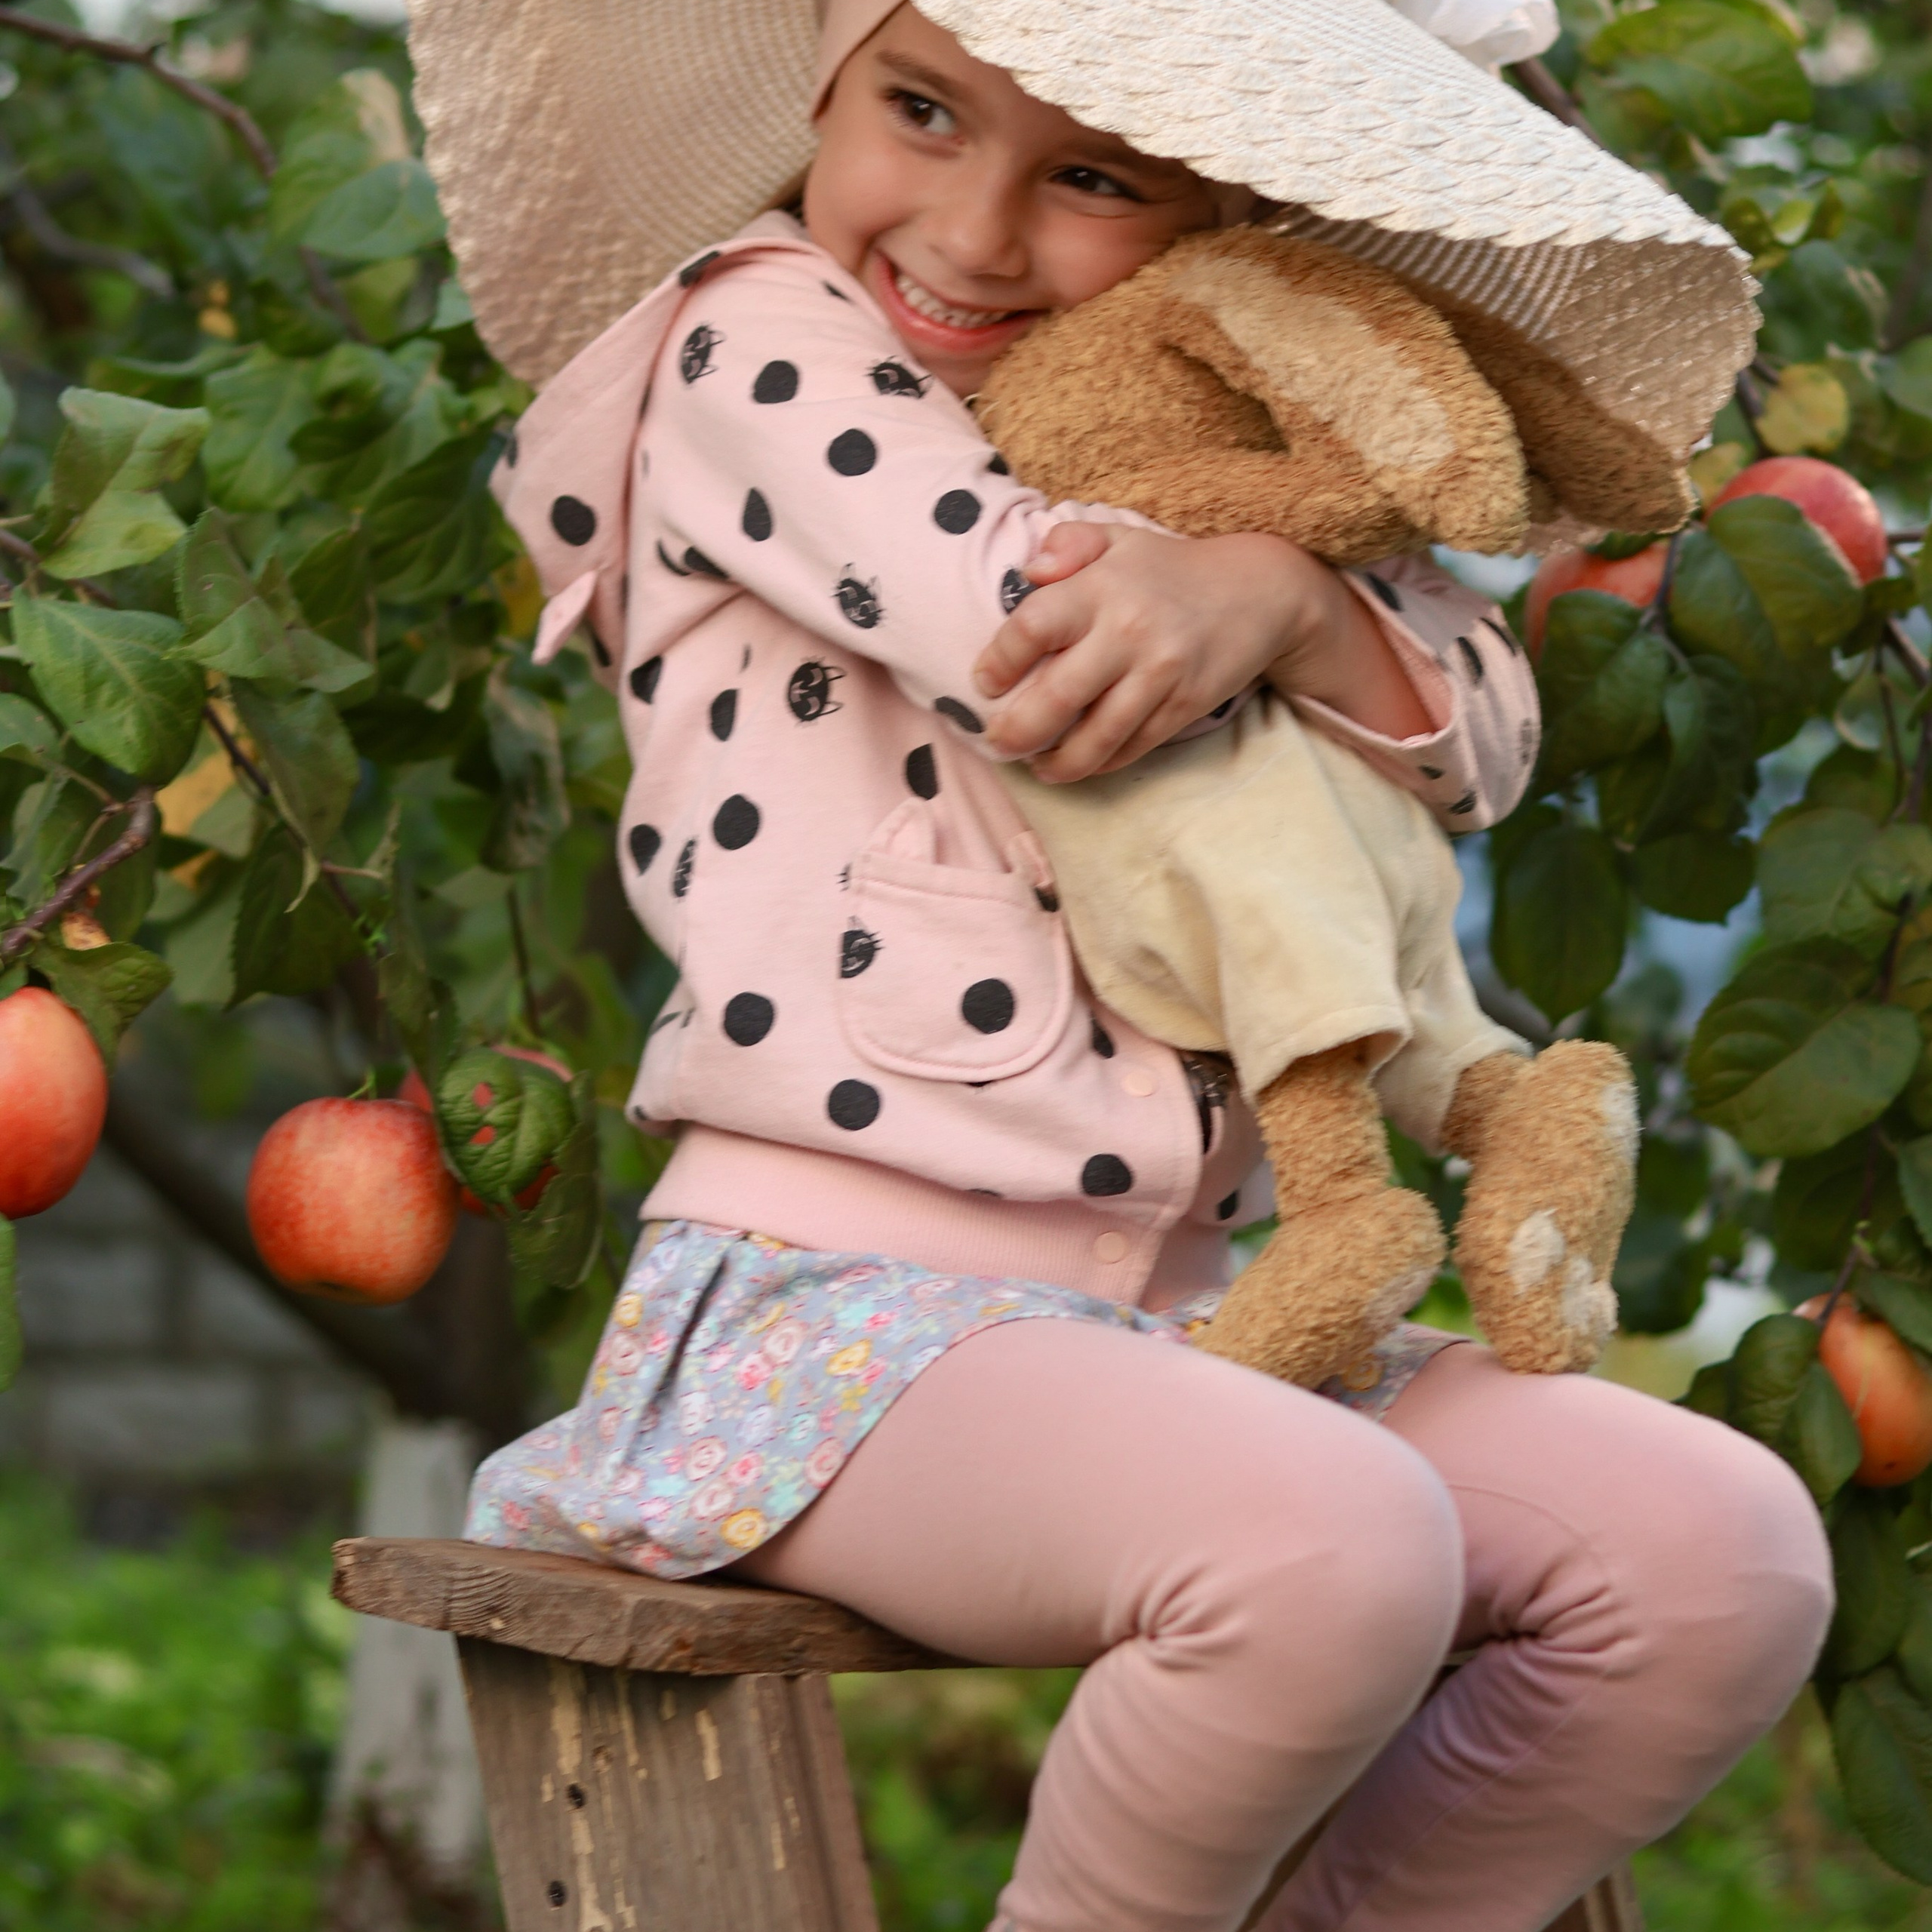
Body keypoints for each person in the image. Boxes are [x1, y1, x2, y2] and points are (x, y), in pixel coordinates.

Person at [415, 0, 1835, 1923]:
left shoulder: (1195, 443)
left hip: (1185, 1320)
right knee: (1325, 1547)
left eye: (1092, 175)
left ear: (1226, 223)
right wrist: (1290, 582)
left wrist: (1270, 586)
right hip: (830, 1312)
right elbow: (1033, 638)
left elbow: (1485, 729)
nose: (979, 231)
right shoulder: (749, 329)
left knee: (1715, 1550)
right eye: (919, 114)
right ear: (815, 92)